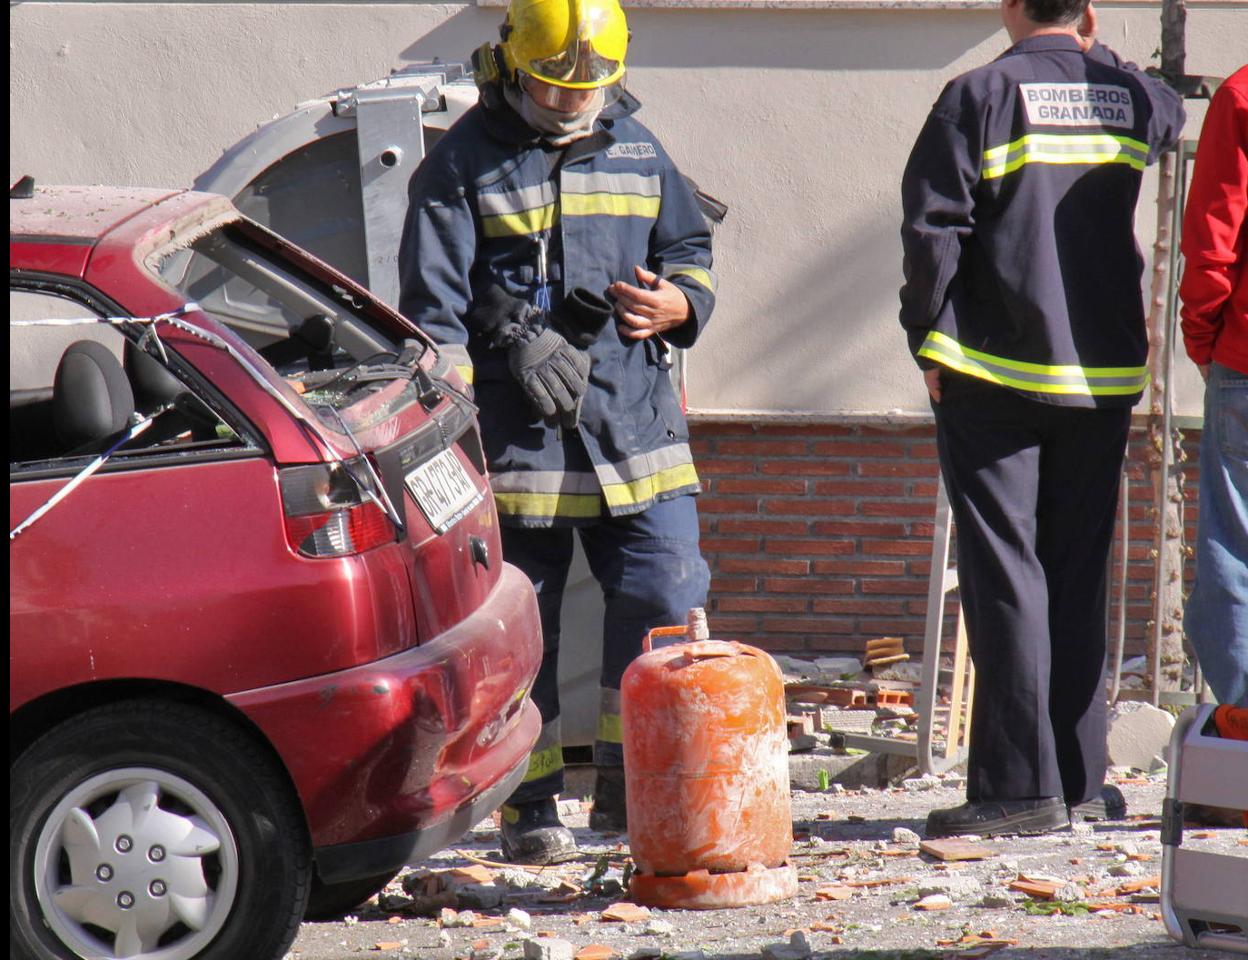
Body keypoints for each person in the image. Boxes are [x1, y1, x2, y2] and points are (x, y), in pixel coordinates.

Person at [398, 0, 715, 864]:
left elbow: (689, 247)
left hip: (636, 435)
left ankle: (630, 789)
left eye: (588, 87)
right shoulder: (461, 163)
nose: (572, 100)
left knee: (662, 599)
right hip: (520, 448)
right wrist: (486, 355)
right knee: (520, 630)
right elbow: (432, 317)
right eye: (552, 83)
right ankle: (526, 807)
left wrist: (681, 302)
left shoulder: (640, 148)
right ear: (512, 64)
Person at [899, 0, 1184, 837]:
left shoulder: (977, 95)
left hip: (994, 371)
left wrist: (927, 338)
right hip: (1103, 375)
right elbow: (1166, 108)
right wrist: (1102, 59)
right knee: (1073, 569)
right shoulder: (1130, 97)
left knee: (1006, 574)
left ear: (1008, 7)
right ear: (1089, 13)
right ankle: (1078, 780)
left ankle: (1017, 791)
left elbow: (932, 231)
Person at [1178, 63, 1247, 710]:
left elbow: (1214, 239)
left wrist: (1201, 336)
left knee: (1235, 551)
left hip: (1246, 362)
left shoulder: (1242, 94)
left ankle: (1243, 742)